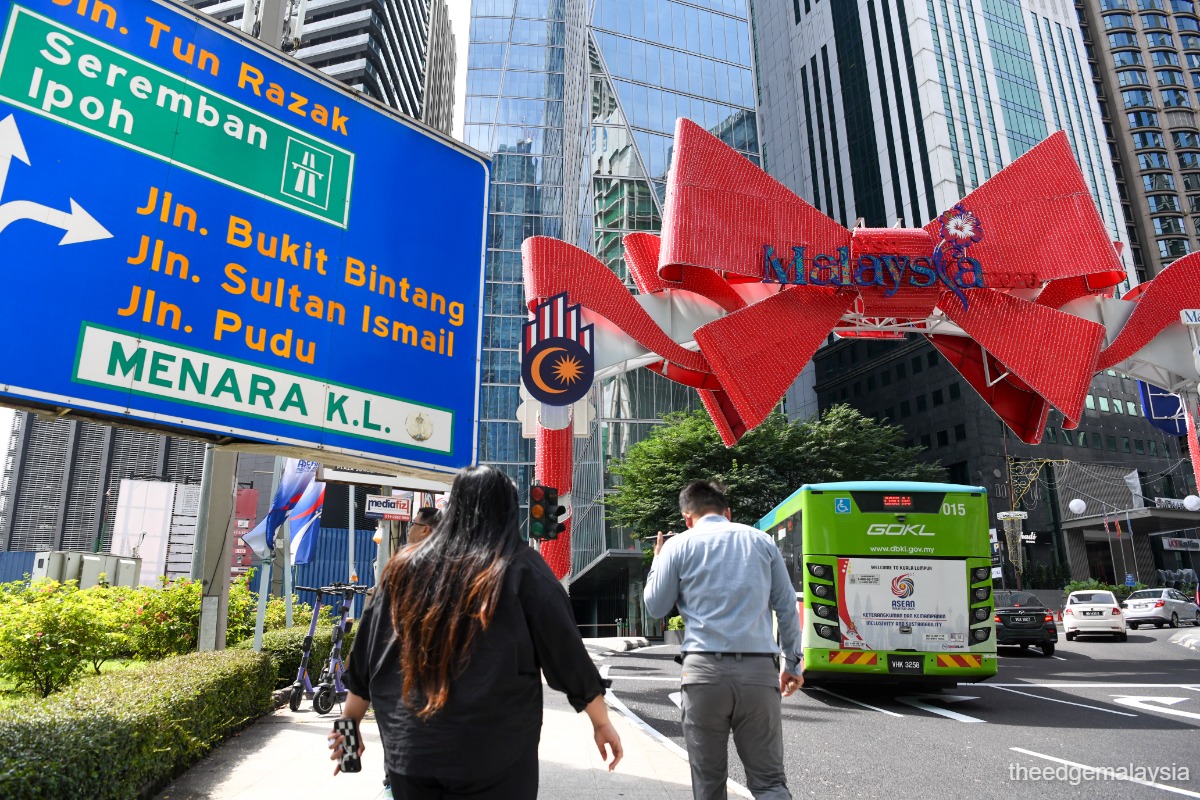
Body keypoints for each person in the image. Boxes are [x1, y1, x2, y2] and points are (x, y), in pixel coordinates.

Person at [328, 464, 622, 798]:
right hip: (495, 756)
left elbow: (369, 653)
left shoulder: (405, 566)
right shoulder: (522, 568)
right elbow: (566, 653)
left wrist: (349, 726)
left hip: (411, 751)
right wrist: (601, 722)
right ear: (507, 511)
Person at [644, 480, 802, 800]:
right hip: (759, 672)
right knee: (770, 782)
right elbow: (786, 606)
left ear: (687, 517)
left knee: (709, 783)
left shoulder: (677, 546)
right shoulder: (761, 541)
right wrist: (793, 663)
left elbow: (656, 606)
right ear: (727, 512)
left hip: (703, 673)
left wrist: (658, 559)